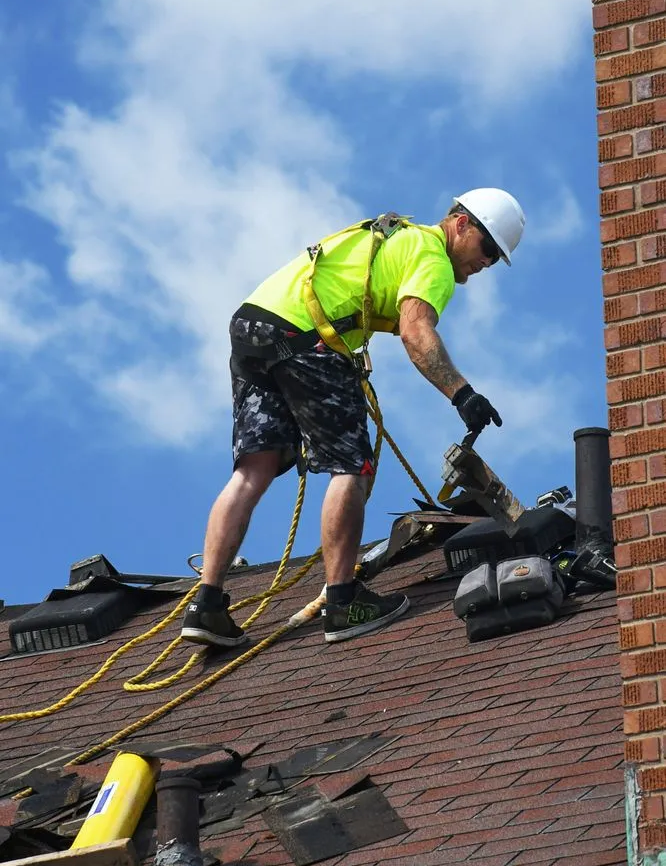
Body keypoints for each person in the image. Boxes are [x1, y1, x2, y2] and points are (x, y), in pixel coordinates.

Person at [182, 188, 525, 648]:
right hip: (303, 337)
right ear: (461, 224)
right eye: (488, 248)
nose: (485, 263)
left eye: (496, 258)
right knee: (351, 466)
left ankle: (206, 605)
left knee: (254, 470)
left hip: (254, 326)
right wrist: (463, 395)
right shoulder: (433, 257)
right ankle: (343, 602)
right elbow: (415, 330)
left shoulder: (399, 237)